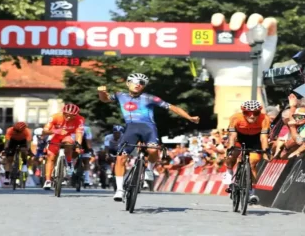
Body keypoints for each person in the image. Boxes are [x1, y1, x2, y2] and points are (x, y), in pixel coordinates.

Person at [97, 73, 200, 201]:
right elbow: (105, 99)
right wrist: (101, 92)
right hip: (131, 128)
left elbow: (172, 107)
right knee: (120, 157)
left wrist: (189, 117)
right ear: (128, 83)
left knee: (153, 151)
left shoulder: (150, 98)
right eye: (135, 81)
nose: (138, 84)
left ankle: (149, 169)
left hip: (148, 128)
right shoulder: (120, 95)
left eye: (142, 83)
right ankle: (119, 190)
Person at [225, 100, 271, 205]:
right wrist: (231, 147)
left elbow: (264, 137)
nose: (252, 116)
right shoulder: (235, 117)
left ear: (259, 112)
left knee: (253, 162)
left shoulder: (265, 118)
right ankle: (229, 172)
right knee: (231, 155)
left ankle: (251, 192)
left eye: (256, 113)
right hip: (239, 137)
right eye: (247, 113)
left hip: (255, 139)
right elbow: (232, 136)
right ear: (243, 112)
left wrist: (266, 150)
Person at [41, 103, 85, 190]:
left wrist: (78, 145)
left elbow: (79, 133)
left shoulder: (80, 119)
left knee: (69, 143)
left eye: (72, 116)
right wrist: (57, 131)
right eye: (66, 115)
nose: (68, 117)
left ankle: (69, 164)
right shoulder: (55, 117)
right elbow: (44, 131)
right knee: (51, 157)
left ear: (76, 115)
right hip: (55, 136)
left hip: (68, 136)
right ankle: (48, 180)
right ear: (63, 112)